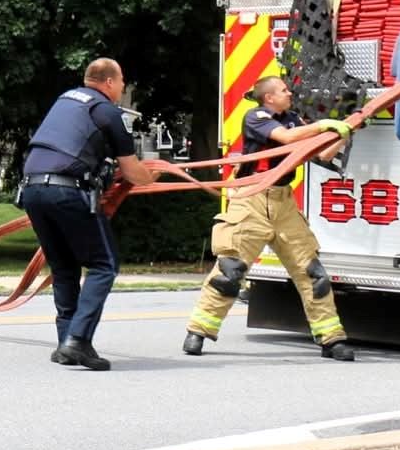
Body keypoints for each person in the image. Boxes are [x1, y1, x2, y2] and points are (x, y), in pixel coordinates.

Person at [183, 75, 357, 360]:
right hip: (252, 198)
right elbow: (286, 139)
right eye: (284, 90)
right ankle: (198, 331)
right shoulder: (257, 117)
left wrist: (343, 135)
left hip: (283, 203)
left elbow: (323, 155)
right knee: (230, 271)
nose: (290, 94)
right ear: (269, 98)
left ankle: (332, 339)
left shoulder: (294, 120)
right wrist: (324, 124)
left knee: (312, 273)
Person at [18, 58, 157, 371]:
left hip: (32, 189)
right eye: (121, 81)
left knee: (64, 265)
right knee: (104, 264)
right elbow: (133, 171)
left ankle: (65, 342)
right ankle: (78, 340)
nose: (122, 87)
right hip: (68, 190)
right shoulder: (107, 110)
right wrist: (153, 176)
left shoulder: (65, 101)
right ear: (109, 82)